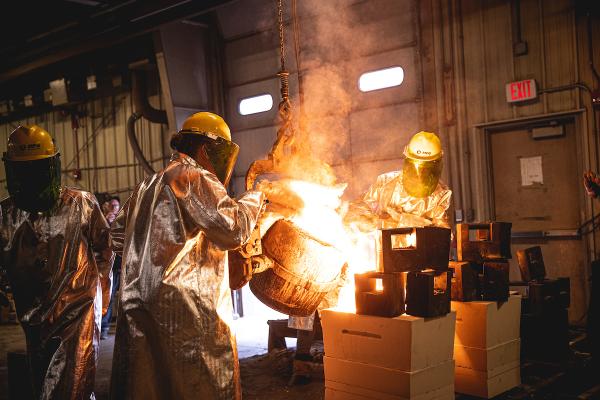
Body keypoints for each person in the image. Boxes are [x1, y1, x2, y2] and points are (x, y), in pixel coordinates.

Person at [109, 112, 264, 399]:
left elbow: (117, 235)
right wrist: (258, 196)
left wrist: (153, 257)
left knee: (152, 384)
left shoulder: (148, 184)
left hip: (140, 306)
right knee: (201, 383)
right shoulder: (193, 175)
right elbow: (234, 229)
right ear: (207, 149)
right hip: (185, 311)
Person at [0, 125, 113, 399]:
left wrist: (103, 290)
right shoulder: (5, 214)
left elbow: (104, 249)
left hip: (79, 310)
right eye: (26, 171)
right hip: (33, 317)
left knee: (73, 380)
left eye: (38, 170)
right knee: (45, 381)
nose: (32, 179)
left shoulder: (80, 203)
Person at [346, 131, 452, 231]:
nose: (420, 173)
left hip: (422, 250)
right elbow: (359, 212)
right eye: (417, 166)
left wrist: (400, 218)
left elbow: (442, 233)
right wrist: (367, 217)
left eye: (427, 168)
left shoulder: (441, 194)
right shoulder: (385, 183)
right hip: (385, 248)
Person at [101, 195, 122, 339]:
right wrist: (107, 223)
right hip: (109, 265)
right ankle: (103, 326)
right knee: (107, 295)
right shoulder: (104, 220)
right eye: (112, 205)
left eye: (117, 206)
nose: (115, 208)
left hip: (120, 265)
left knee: (119, 296)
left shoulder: (121, 221)